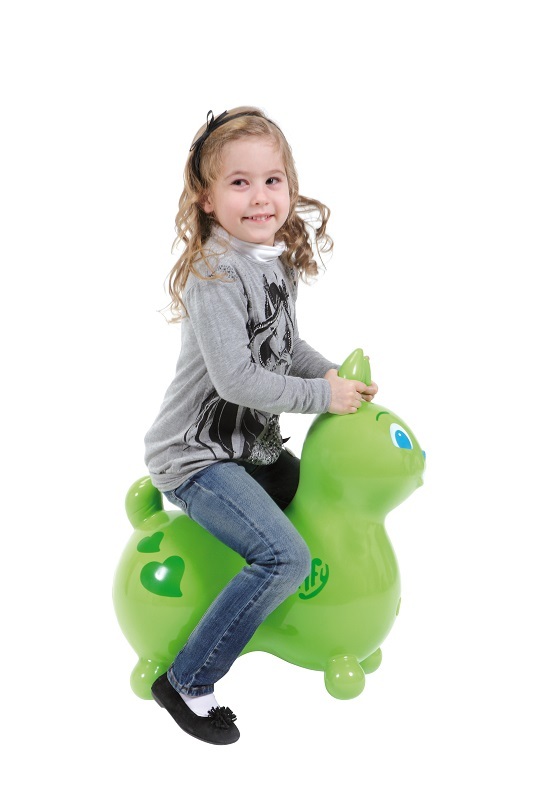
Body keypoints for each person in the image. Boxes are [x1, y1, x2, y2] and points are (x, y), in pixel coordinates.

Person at [144, 107, 378, 745]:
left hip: (252, 447)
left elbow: (283, 345)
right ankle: (188, 679)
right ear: (207, 197)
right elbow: (239, 381)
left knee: (324, 507)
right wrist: (322, 397)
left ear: (291, 186)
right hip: (197, 458)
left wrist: (331, 375)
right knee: (284, 555)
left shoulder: (274, 260)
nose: (259, 197)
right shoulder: (215, 273)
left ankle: (330, 628)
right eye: (239, 183)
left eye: (272, 180)